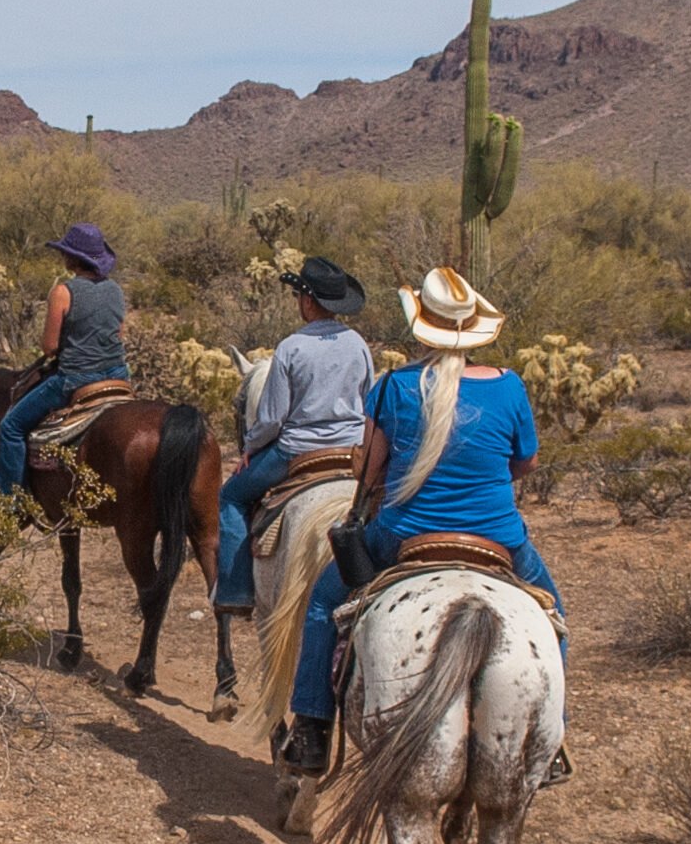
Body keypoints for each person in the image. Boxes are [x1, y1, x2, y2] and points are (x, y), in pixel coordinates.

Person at [278, 266, 566, 778]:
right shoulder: (510, 386)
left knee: (324, 603)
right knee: (554, 613)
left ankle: (312, 729)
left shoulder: (394, 387)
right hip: (499, 537)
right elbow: (527, 464)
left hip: (404, 533)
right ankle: (553, 737)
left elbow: (366, 470)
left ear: (421, 326)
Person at [212, 255, 372, 613]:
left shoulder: (291, 347)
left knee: (231, 498)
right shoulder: (358, 344)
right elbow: (367, 399)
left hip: (297, 451)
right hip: (351, 451)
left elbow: (271, 418)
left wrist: (250, 448)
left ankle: (236, 591)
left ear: (308, 300)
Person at [0, 222, 129, 498]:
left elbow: (50, 347)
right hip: (118, 375)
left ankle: (9, 502)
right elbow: (119, 334)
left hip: (76, 378)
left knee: (11, 427)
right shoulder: (115, 290)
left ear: (72, 257)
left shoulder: (63, 292)